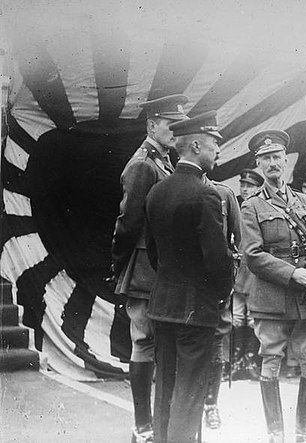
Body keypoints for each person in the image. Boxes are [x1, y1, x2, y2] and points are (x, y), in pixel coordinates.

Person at [145, 111, 233, 443]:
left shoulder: (157, 191)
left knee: (165, 386)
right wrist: (221, 294)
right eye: (214, 144)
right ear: (196, 145)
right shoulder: (207, 194)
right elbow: (217, 259)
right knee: (190, 391)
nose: (218, 152)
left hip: (162, 305)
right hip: (197, 310)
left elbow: (154, 254)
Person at [240, 129, 306, 443]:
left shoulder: (304, 201)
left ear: (286, 161)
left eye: (277, 157)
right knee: (271, 358)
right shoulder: (251, 206)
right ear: (259, 164)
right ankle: (275, 434)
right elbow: (252, 254)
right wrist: (292, 274)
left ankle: (305, 431)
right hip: (272, 295)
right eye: (266, 159)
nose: (273, 163)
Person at [111, 94, 189, 443]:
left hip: (161, 266)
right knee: (143, 341)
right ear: (151, 125)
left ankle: (156, 423)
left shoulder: (164, 162)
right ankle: (143, 425)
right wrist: (120, 264)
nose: (176, 130)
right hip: (144, 267)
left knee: (158, 342)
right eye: (171, 123)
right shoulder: (143, 164)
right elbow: (128, 223)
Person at [200, 161, 242, 430]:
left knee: (216, 345)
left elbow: (238, 239)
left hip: (216, 286)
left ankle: (211, 404)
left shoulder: (224, 194)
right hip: (187, 284)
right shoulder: (178, 190)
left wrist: (228, 279)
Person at [231, 168, 264, 381]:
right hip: (237, 270)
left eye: (249, 186)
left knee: (253, 319)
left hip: (255, 272)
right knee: (236, 317)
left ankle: (251, 360)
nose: (245, 188)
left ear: (258, 188)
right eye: (243, 185)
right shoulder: (233, 204)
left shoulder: (262, 206)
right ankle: (235, 360)